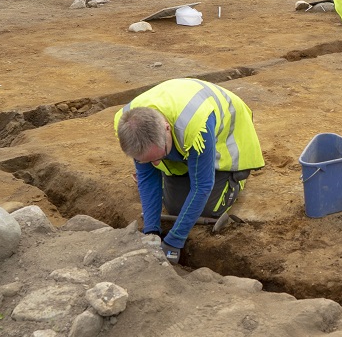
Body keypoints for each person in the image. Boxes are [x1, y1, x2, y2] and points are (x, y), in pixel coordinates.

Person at [114, 79, 266, 262]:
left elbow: (202, 186)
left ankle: (236, 177)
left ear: (167, 129)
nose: (155, 164)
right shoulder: (127, 126)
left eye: (159, 157)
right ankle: (178, 157)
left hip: (226, 136)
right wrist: (151, 232)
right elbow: (146, 176)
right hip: (181, 137)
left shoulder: (196, 125)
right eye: (147, 160)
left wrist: (175, 240)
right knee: (176, 207)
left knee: (208, 208)